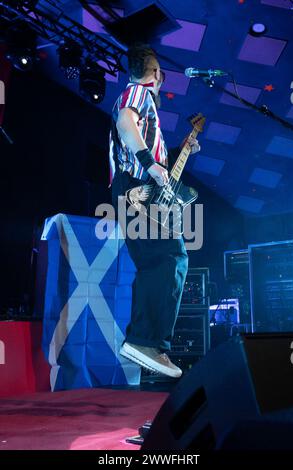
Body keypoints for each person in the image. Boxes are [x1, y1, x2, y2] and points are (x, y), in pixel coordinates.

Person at [109, 43, 200, 378]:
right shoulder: (138, 94)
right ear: (157, 74)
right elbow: (124, 123)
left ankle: (143, 339)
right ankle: (146, 341)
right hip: (137, 187)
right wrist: (150, 162)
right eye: (162, 76)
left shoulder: (138, 99)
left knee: (155, 261)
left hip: (132, 188)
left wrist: (177, 153)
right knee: (170, 257)